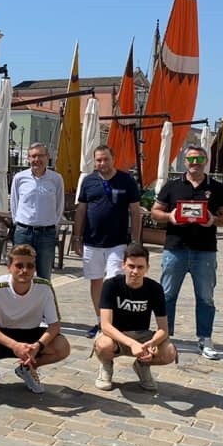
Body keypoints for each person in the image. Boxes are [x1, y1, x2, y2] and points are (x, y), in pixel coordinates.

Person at [151, 145, 223, 359]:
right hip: (175, 249)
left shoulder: (216, 188)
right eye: (191, 159)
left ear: (205, 161)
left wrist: (213, 220)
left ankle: (205, 338)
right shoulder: (172, 186)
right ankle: (164, 336)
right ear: (184, 161)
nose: (195, 163)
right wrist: (169, 217)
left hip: (205, 251)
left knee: (205, 298)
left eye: (199, 159)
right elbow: (155, 212)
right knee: (167, 295)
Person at [0, 244, 71, 394]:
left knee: (62, 346)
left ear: (35, 268)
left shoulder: (44, 287)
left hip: (31, 333)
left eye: (30, 266)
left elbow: (54, 325)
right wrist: (14, 345)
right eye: (19, 266)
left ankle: (28, 367)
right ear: (9, 267)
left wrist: (38, 346)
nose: (24, 270)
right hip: (1, 335)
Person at [73, 145, 142, 338]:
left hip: (117, 243)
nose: (102, 163)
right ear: (94, 161)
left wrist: (135, 241)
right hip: (92, 241)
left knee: (114, 282)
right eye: (99, 160)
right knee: (96, 282)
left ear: (113, 158)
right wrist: (76, 237)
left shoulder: (126, 180)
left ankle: (113, 323)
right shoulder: (88, 181)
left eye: (105, 159)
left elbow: (135, 212)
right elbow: (81, 210)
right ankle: (100, 322)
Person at [93, 243, 177, 391]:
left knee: (169, 352)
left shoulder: (155, 289)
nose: (135, 271)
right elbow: (105, 325)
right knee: (104, 345)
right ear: (123, 265)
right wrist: (132, 344)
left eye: (140, 267)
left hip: (142, 336)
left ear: (147, 268)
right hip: (115, 336)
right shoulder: (111, 285)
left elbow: (163, 329)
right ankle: (106, 365)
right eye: (131, 266)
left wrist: (152, 343)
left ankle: (142, 365)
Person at [9, 142, 64, 282]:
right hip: (23, 232)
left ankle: (42, 297)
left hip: (46, 234)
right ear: (28, 158)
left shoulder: (56, 179)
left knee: (44, 276)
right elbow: (14, 203)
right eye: (33, 156)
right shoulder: (19, 178)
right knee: (20, 273)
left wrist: (54, 224)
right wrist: (18, 223)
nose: (36, 159)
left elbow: (59, 205)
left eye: (40, 156)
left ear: (47, 157)